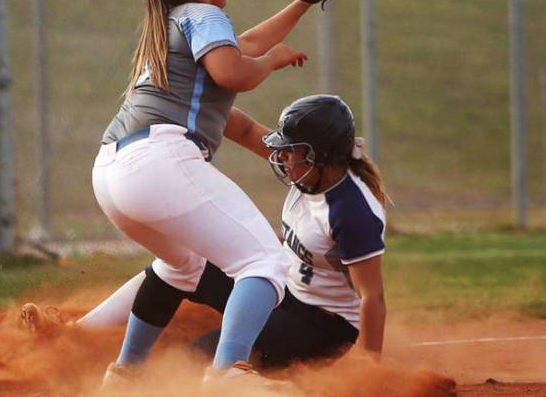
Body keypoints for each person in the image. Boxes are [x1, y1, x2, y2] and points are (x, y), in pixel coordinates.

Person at [90, 0, 315, 388]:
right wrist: (273, 60)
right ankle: (229, 371)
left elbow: (242, 47)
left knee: (181, 266)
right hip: (158, 163)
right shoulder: (204, 14)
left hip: (113, 171)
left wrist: (304, 2)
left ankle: (125, 373)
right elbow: (236, 68)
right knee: (264, 262)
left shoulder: (174, 24)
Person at [22, 94, 389, 369]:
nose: (283, 158)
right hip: (288, 289)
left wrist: (368, 367)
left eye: (294, 151)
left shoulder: (351, 211)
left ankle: (202, 378)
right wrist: (190, 98)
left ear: (321, 156)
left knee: (194, 355)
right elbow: (242, 129)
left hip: (322, 325)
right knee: (183, 262)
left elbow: (371, 296)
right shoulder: (310, 176)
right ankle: (73, 334)